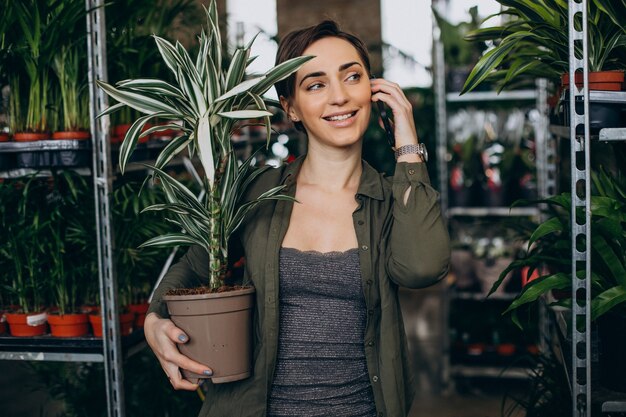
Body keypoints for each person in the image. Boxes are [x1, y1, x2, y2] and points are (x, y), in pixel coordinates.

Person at [144, 20, 450, 417]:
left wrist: (407, 142)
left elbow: (422, 268)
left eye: (352, 77)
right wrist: (154, 320)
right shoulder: (258, 191)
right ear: (290, 107)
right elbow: (194, 265)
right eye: (316, 84)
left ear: (373, 91)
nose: (339, 97)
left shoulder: (392, 199)